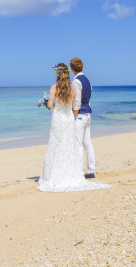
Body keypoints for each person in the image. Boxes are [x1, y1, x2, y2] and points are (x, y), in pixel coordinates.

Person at [38, 63, 109, 193]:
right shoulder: (72, 89)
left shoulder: (54, 87)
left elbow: (51, 105)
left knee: (56, 145)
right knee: (69, 146)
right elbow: (75, 106)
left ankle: (53, 174)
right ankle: (74, 172)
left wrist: (50, 103)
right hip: (69, 119)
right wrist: (71, 116)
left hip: (58, 119)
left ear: (58, 75)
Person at [71, 57, 96, 178]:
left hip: (80, 115)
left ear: (72, 69)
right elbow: (88, 99)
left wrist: (72, 118)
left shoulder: (76, 81)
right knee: (88, 144)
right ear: (82, 67)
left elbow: (76, 102)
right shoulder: (87, 80)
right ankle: (91, 170)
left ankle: (79, 172)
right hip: (87, 114)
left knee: (78, 144)